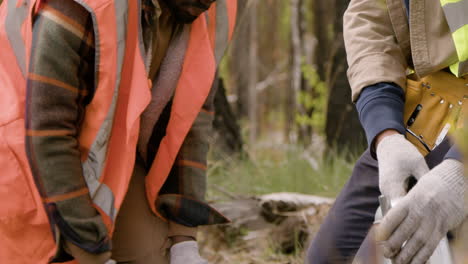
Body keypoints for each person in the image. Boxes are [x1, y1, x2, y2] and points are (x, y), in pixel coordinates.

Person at [0, 0, 239, 263]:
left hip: (103, 155)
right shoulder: (76, 6)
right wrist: (92, 250)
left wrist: (184, 241)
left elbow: (188, 120)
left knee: (154, 256)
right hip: (20, 158)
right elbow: (49, 133)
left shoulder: (206, 10)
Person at [306, 0, 467, 263]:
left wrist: (459, 172)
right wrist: (386, 135)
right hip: (431, 105)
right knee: (329, 256)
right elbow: (369, 21)